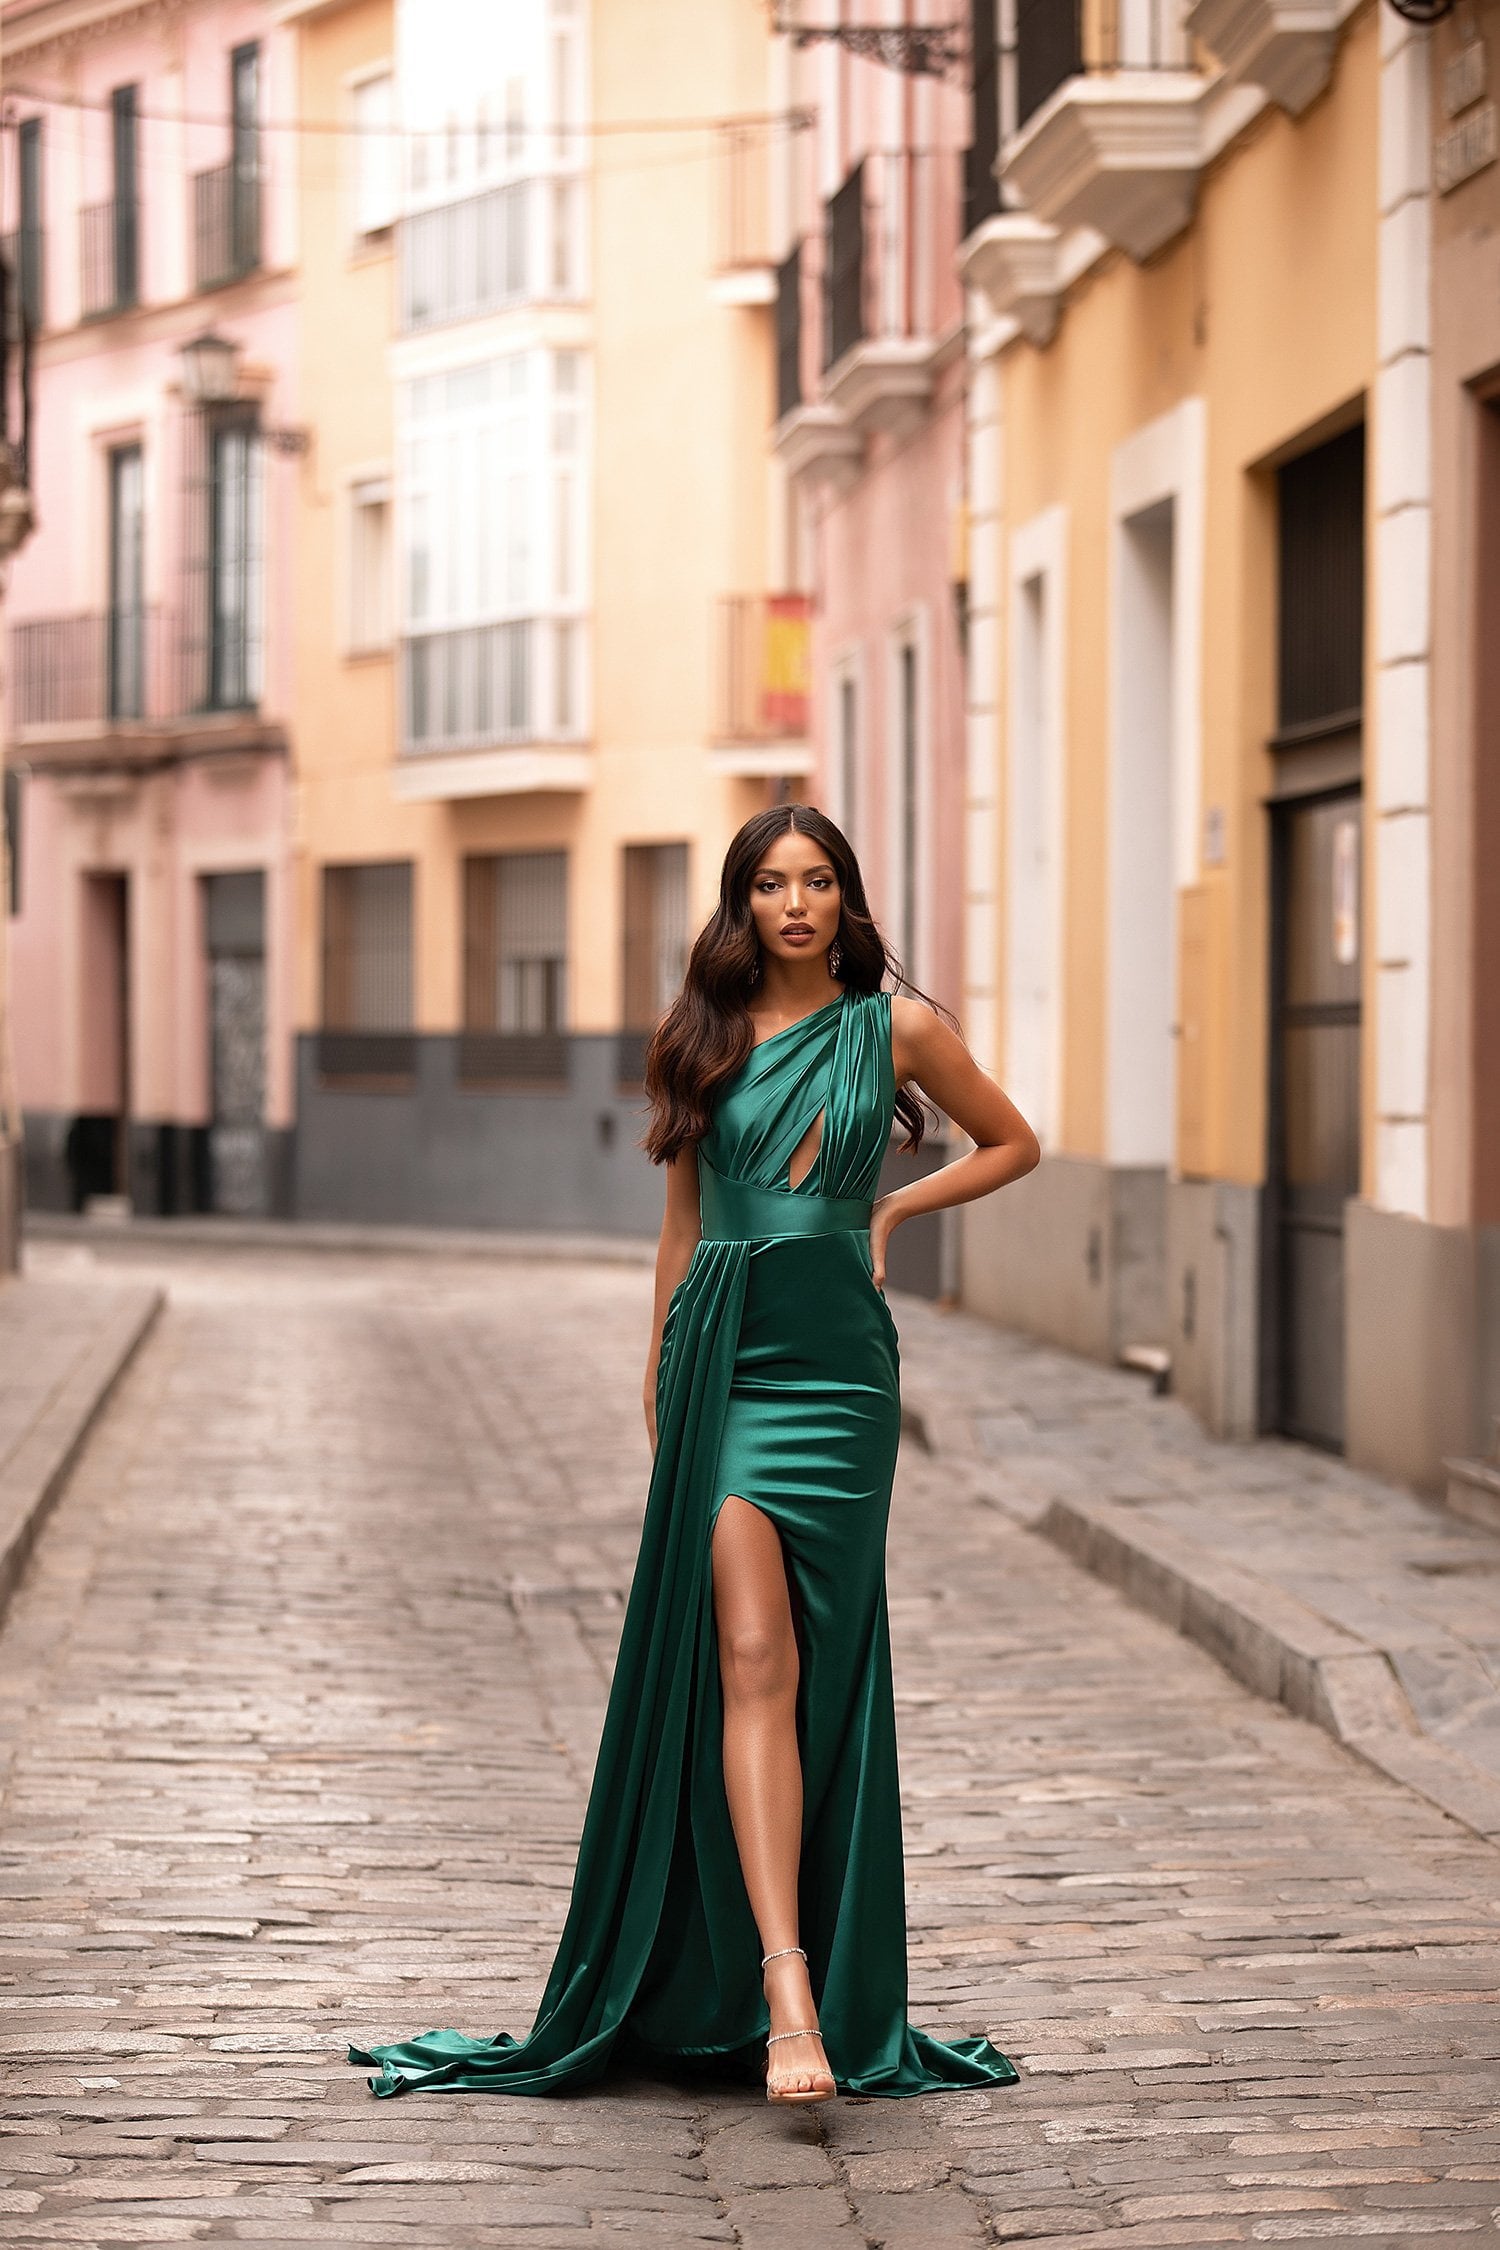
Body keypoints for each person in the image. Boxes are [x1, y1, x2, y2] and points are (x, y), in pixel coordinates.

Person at [350, 804, 1041, 2106]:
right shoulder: (702, 1039)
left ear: (846, 901)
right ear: (742, 903)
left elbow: (1015, 1142)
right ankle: (786, 1982)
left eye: (819, 880)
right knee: (750, 1654)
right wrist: (660, 1373)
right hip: (726, 1362)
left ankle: (808, 1962)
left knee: (825, 1669)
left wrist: (891, 1202)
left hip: (842, 1373)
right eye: (772, 882)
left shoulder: (898, 1031)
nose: (796, 903)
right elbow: (678, 1229)